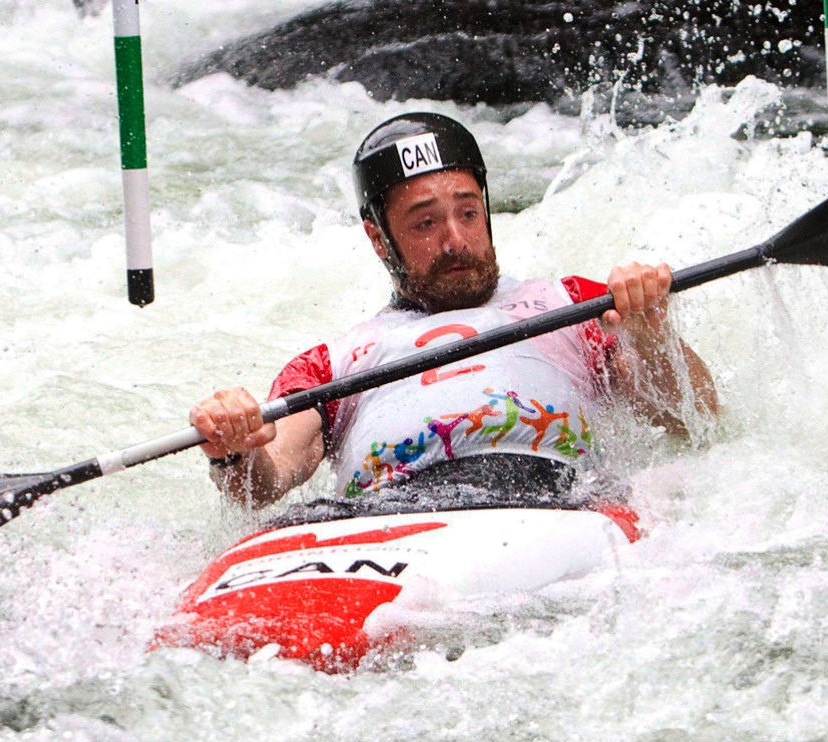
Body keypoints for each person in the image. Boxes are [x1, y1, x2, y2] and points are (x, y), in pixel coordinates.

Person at [190, 112, 718, 514]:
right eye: (425, 224)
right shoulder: (332, 364)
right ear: (379, 238)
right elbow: (266, 481)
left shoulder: (579, 304)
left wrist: (651, 335)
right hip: (389, 513)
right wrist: (233, 449)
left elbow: (695, 420)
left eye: (468, 213)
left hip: (558, 498)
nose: (456, 241)